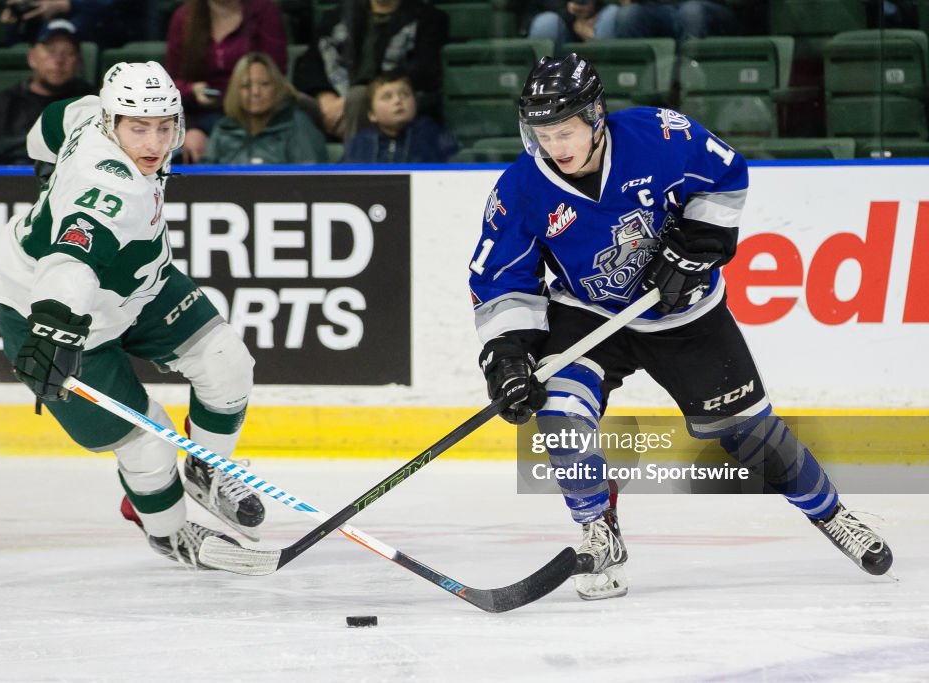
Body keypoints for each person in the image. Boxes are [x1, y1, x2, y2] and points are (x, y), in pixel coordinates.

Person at [468, 54, 894, 601]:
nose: (556, 147)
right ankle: (599, 532)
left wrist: (696, 249)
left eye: (566, 131)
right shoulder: (520, 189)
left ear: (596, 115)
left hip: (686, 315)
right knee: (560, 414)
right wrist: (508, 357)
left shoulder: (659, 135)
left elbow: (724, 176)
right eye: (544, 134)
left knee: (751, 436)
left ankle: (833, 515)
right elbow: (501, 279)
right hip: (590, 313)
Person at [0, 61, 265, 568]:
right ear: (113, 125)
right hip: (61, 312)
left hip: (136, 286)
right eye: (139, 129)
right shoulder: (113, 188)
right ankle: (169, 534)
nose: (154, 143)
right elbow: (69, 262)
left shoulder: (90, 113)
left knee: (227, 363)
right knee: (149, 447)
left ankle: (207, 470)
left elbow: (50, 123)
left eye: (164, 127)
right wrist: (53, 325)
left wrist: (47, 170)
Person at [292, 0, 449, 141]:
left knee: (358, 97)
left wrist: (355, 99)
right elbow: (309, 65)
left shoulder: (428, 18)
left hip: (381, 102)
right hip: (333, 102)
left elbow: (423, 70)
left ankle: (357, 164)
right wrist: (324, 96)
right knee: (289, 98)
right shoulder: (336, 17)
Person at [0, 19, 94, 166]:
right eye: (51, 51)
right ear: (32, 57)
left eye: (68, 52)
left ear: (78, 61)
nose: (59, 60)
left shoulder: (94, 107)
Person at [165, 0, 287, 162]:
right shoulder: (184, 17)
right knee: (177, 149)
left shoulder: (263, 10)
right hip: (200, 113)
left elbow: (275, 73)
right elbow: (170, 84)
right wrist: (192, 93)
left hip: (253, 114)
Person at [205, 52, 327, 165]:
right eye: (246, 86)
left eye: (265, 84)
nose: (256, 92)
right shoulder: (223, 130)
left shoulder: (298, 125)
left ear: (277, 88)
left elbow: (311, 180)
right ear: (236, 92)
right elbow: (205, 180)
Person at [342, 73, 457, 163]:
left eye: (404, 95)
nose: (397, 101)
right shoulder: (361, 142)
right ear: (372, 115)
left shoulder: (431, 134)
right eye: (387, 97)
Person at [0, 0, 149, 49]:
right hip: (44, 38)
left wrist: (66, 5)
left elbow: (115, 5)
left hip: (109, 35)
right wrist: (18, 12)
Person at [609, 0, 739, 41]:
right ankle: (634, 83)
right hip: (656, 9)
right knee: (628, 14)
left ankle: (690, 80)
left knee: (691, 13)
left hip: (703, 6)